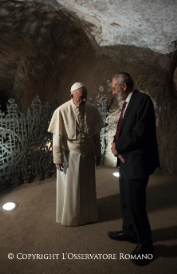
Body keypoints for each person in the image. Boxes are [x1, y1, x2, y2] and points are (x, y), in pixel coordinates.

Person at [109, 72, 159, 264]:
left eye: (114, 88)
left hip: (137, 163)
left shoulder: (142, 100)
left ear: (123, 86)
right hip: (125, 160)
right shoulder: (128, 102)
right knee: (126, 200)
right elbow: (122, 128)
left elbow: (140, 133)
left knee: (136, 204)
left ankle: (146, 244)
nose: (113, 92)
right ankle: (130, 232)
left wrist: (118, 147)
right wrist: (115, 145)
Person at [48, 82, 104, 226]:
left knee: (87, 187)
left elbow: (96, 135)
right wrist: (58, 158)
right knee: (71, 189)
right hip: (70, 157)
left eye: (86, 97)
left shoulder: (92, 109)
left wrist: (98, 153)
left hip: (88, 155)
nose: (85, 100)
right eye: (81, 97)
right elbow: (57, 139)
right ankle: (72, 217)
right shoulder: (61, 111)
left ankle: (88, 215)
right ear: (71, 95)